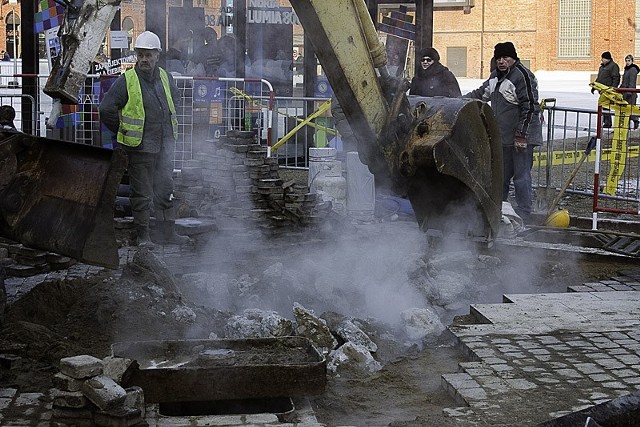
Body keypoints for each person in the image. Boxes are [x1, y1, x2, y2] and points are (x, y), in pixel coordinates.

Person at [99, 31, 190, 248]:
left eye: (148, 55)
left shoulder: (166, 78)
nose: (144, 60)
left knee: (166, 189)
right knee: (142, 194)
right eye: (140, 55)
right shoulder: (127, 80)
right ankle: (143, 236)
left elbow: (175, 102)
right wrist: (124, 132)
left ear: (157, 55)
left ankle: (168, 233)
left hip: (164, 146)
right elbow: (106, 109)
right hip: (139, 149)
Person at [464, 42, 542, 223]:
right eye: (498, 58)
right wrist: (458, 100)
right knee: (502, 177)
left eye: (505, 58)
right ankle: (500, 210)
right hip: (504, 138)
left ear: (513, 58)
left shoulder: (522, 76)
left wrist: (522, 135)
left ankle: (524, 213)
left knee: (521, 177)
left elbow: (530, 107)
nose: (501, 61)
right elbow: (480, 94)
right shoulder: (495, 77)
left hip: (522, 138)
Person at [592, 51, 620, 128]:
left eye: (603, 58)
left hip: (608, 90)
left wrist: (613, 88)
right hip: (602, 90)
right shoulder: (602, 67)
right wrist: (594, 86)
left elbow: (616, 78)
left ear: (607, 59)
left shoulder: (613, 66)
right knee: (603, 105)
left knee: (606, 106)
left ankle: (608, 122)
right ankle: (605, 121)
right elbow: (599, 78)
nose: (601, 60)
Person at [621, 54, 639, 130]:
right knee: (626, 111)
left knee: (631, 110)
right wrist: (619, 89)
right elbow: (624, 81)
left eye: (629, 61)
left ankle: (635, 122)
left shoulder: (632, 69)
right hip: (625, 92)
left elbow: (632, 82)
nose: (627, 62)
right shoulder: (627, 69)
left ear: (632, 61)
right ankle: (626, 126)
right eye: (626, 61)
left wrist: (629, 92)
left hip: (630, 94)